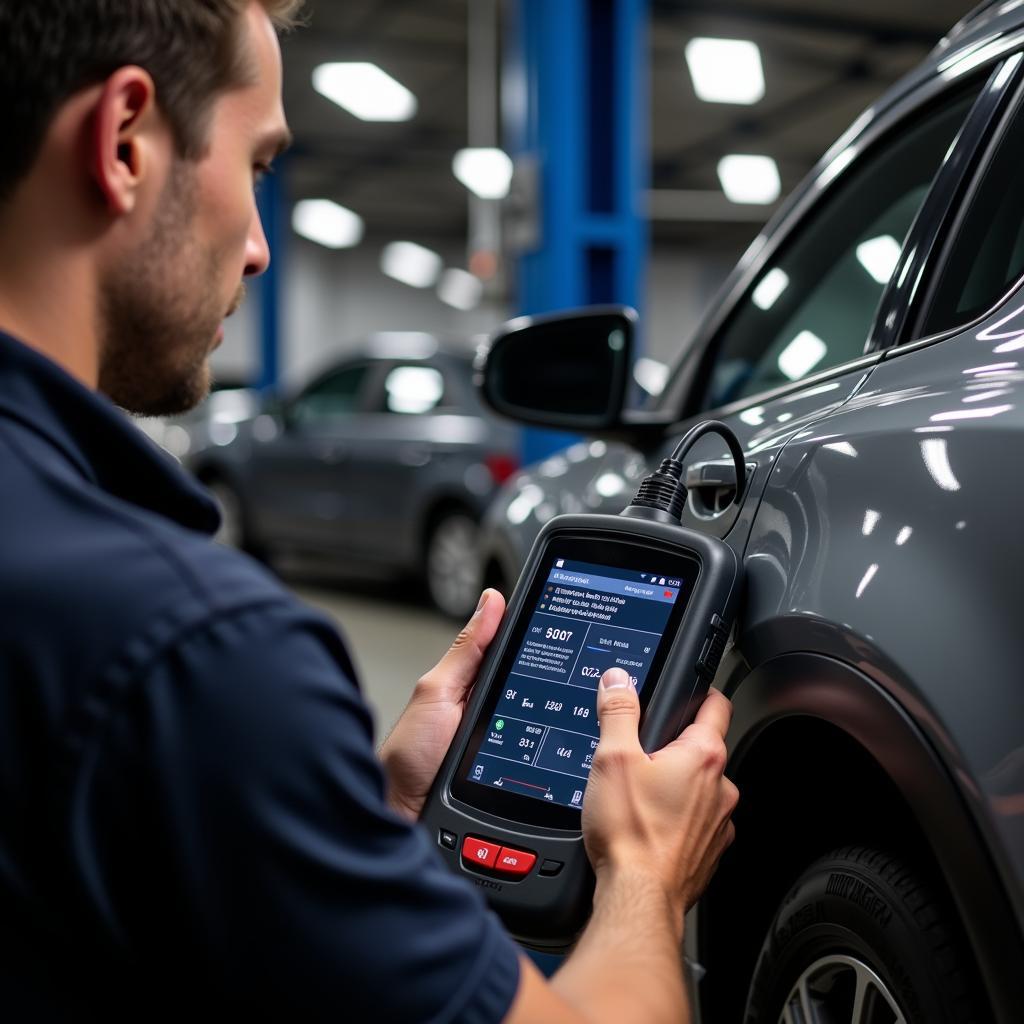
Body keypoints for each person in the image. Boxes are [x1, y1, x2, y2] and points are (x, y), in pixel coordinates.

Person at [0, 2, 738, 1021]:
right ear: (125, 141)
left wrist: (361, 815)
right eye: (257, 166)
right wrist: (646, 873)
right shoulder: (192, 653)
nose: (260, 248)